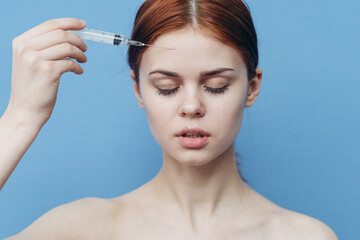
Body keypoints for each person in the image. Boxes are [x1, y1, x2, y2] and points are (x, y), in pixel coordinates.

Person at [1, 0, 338, 239]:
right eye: (167, 87)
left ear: (251, 88)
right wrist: (21, 117)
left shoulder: (303, 235)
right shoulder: (81, 230)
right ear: (138, 90)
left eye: (216, 86)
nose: (191, 106)